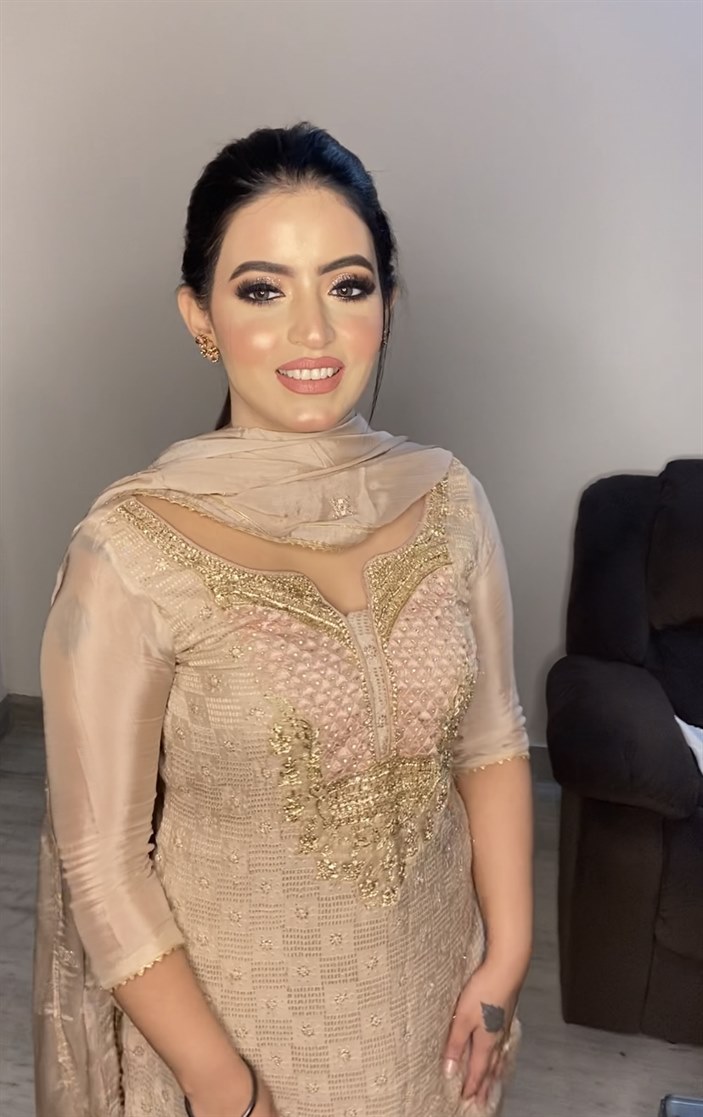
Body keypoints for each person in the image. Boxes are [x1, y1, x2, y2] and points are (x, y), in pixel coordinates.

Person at [33, 122, 533, 1117]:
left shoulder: (448, 500)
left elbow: (491, 741)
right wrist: (225, 1087)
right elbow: (102, 864)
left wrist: (503, 965)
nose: (313, 331)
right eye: (263, 290)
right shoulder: (131, 550)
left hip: (437, 1015)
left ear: (387, 304)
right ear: (200, 314)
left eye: (347, 286)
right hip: (239, 1040)